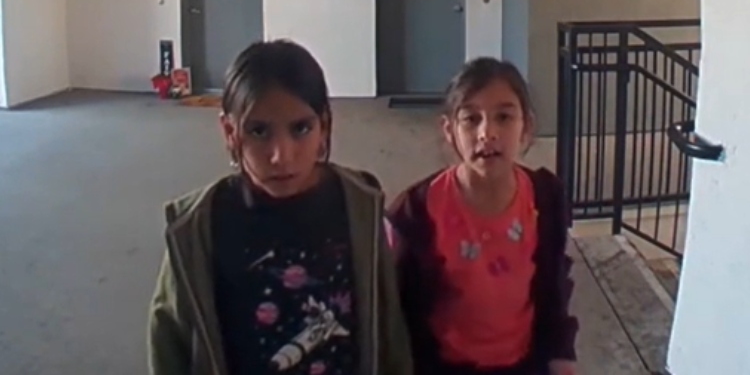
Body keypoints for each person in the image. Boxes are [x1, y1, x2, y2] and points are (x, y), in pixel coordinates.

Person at [147, 40, 413, 375]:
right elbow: (169, 339)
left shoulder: (360, 204)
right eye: (258, 131)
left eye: (300, 128)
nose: (280, 155)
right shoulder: (200, 225)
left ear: (325, 127)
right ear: (230, 132)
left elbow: (387, 325)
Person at [386, 58, 578, 375]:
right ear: (449, 130)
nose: (487, 133)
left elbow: (553, 285)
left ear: (526, 125)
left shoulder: (545, 197)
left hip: (525, 364)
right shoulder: (415, 211)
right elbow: (396, 310)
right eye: (471, 119)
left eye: (504, 117)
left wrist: (561, 353)